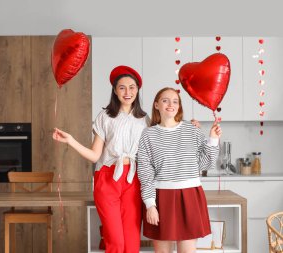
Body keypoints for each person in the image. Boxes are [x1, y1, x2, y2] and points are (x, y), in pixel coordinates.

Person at [53, 65, 148, 253]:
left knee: (131, 244)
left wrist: (189, 126)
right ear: (114, 90)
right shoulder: (105, 117)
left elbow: (165, 134)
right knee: (116, 243)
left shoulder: (145, 119)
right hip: (108, 178)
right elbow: (95, 155)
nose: (127, 92)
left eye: (132, 87)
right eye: (122, 87)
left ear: (137, 90)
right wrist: (71, 141)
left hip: (134, 180)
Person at [137, 87, 222, 253]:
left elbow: (205, 164)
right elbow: (145, 172)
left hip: (190, 196)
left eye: (175, 101)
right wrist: (150, 205)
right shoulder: (148, 135)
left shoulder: (192, 130)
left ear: (179, 106)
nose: (171, 104)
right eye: (165, 100)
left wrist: (213, 139)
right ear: (156, 105)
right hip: (161, 198)